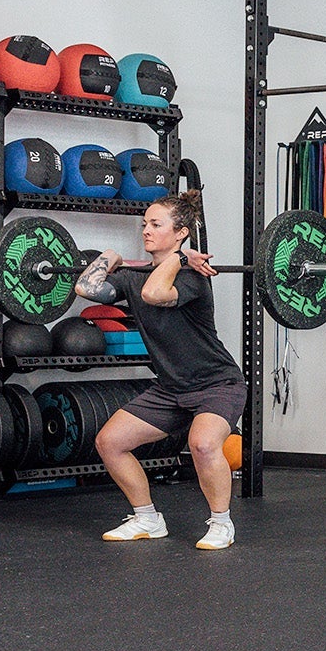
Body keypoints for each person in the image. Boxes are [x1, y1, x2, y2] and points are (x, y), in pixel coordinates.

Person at [74, 191, 247, 550]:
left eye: (156, 224)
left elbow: (155, 292)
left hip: (217, 384)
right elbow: (84, 287)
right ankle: (147, 519)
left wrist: (182, 257)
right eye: (144, 224)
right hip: (171, 389)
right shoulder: (133, 277)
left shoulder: (193, 277)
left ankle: (221, 524)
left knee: (201, 444)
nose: (146, 231)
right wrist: (109, 256)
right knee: (110, 443)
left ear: (181, 232)